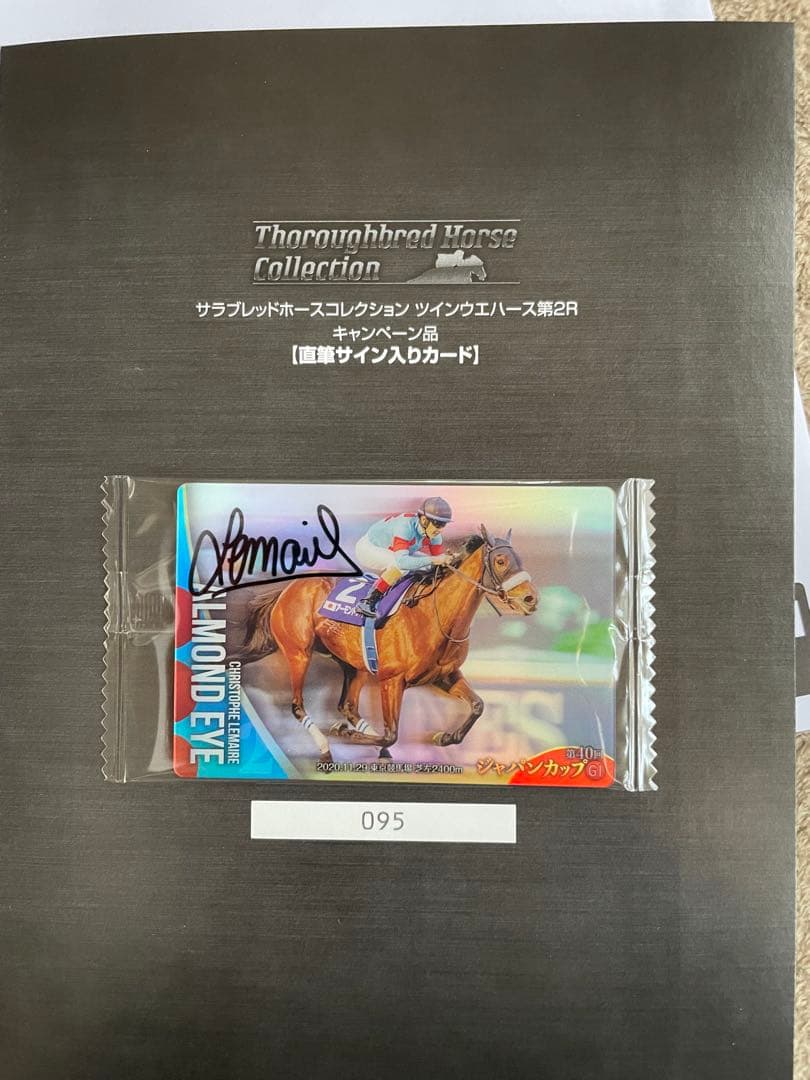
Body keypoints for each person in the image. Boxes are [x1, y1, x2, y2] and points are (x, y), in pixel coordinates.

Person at [354, 496, 454, 619]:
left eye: (444, 524)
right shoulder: (405, 527)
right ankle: (368, 601)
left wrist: (448, 559)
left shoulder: (435, 534)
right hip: (368, 548)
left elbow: (438, 560)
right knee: (401, 566)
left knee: (428, 566)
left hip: (394, 551)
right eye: (438, 524)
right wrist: (435, 559)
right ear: (424, 520)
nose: (441, 529)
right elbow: (402, 562)